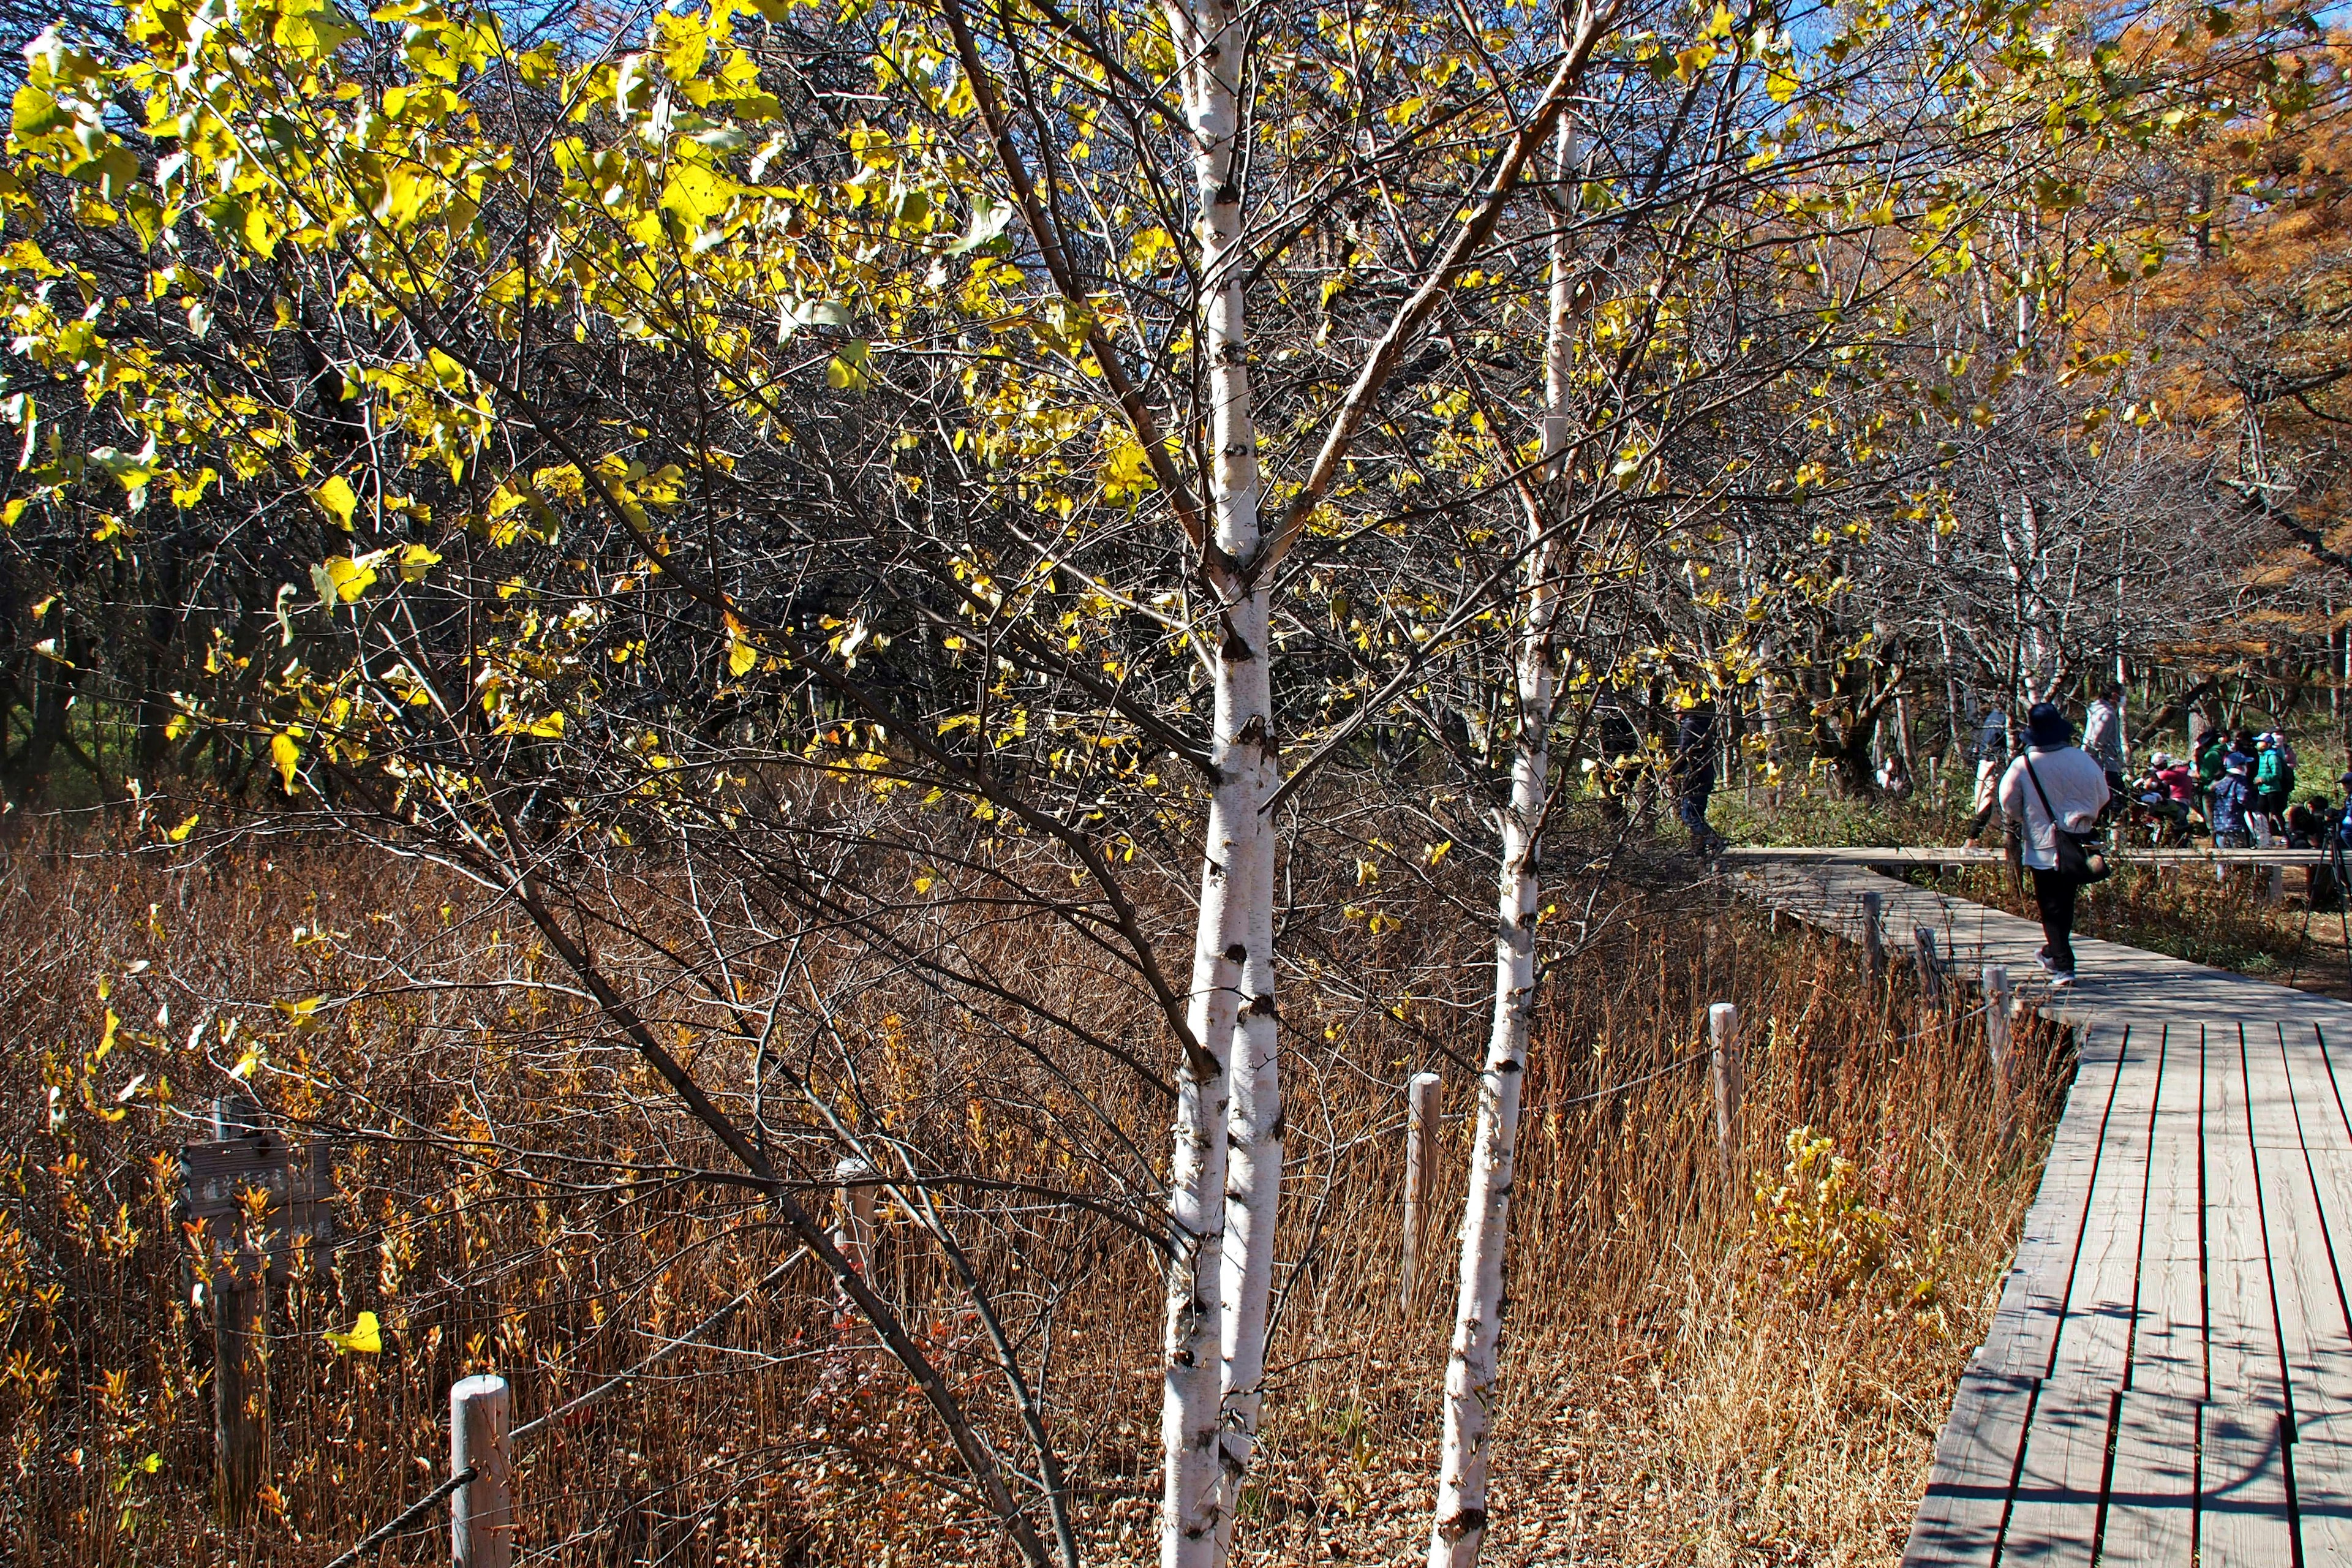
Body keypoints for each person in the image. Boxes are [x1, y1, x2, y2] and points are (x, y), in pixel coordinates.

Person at [1999, 702, 2111, 990]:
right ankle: (2054, 954)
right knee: (2065, 904)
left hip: (2043, 845)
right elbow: (2102, 796)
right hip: (2076, 843)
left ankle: (2063, 965)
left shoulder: (2023, 765)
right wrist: (2081, 821)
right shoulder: (2084, 759)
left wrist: (2030, 816)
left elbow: (2008, 803)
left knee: (2050, 907)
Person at [1672, 702, 1727, 856]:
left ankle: (1715, 840)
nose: (1675, 713)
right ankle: (1698, 850)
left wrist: (1672, 773)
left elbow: (1685, 754)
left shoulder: (1689, 726)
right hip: (1705, 774)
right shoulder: (1702, 724)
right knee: (1697, 813)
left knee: (1689, 815)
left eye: (1676, 708)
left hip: (1695, 776)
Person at [1964, 705, 2011, 847]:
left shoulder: (1994, 716)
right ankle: (1971, 840)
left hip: (1987, 762)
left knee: (1988, 801)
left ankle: (1983, 840)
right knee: (1988, 802)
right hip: (1993, 763)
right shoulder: (2002, 718)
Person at [2082, 681, 2127, 805]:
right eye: (2122, 694)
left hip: (2094, 764)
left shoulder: (2095, 710)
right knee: (2116, 800)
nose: (2124, 698)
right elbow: (2096, 742)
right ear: (2114, 695)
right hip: (2106, 765)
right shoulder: (2107, 714)